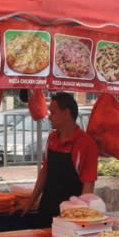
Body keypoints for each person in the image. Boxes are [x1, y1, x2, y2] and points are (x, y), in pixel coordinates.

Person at [17, 92, 98, 227]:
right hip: (46, 209)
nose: (49, 117)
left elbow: (88, 187)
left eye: (53, 112)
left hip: (70, 217)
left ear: (66, 113)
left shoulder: (86, 144)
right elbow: (45, 171)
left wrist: (79, 220)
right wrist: (30, 202)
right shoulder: (52, 139)